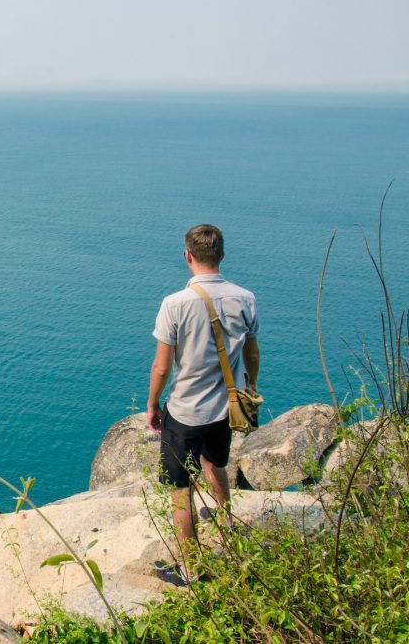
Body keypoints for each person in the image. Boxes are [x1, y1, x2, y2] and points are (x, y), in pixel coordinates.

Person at [146, 224, 260, 585]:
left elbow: (162, 366)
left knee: (181, 489)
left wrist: (152, 404)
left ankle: (192, 568)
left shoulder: (175, 304)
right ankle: (227, 526)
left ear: (188, 256)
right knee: (216, 463)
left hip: (186, 411)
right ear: (222, 255)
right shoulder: (246, 298)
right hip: (226, 407)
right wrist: (250, 385)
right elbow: (252, 352)